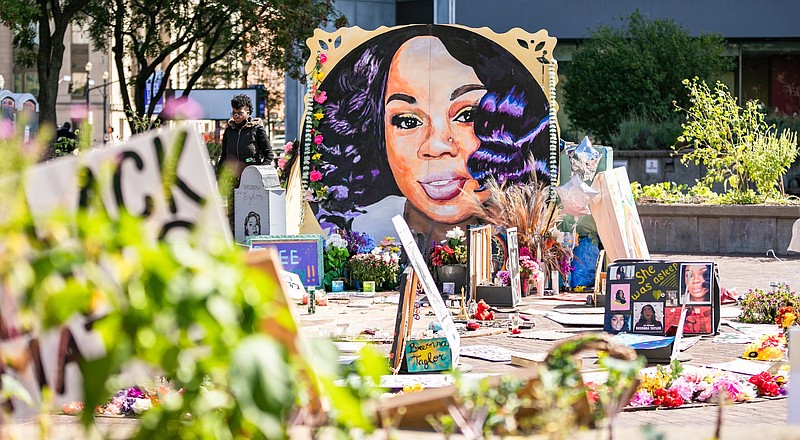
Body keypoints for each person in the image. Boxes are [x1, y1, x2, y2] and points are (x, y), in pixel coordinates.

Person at [312, 25, 553, 249]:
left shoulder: (525, 235)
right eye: (408, 121)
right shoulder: (360, 228)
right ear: (377, 133)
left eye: (468, 114)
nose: (436, 146)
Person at [216, 94, 273, 182]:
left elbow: (269, 155)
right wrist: (219, 174)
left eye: (240, 114)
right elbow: (224, 156)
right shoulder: (229, 130)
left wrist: (260, 172)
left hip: (252, 180)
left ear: (248, 113)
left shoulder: (257, 129)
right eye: (234, 114)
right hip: (231, 180)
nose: (236, 117)